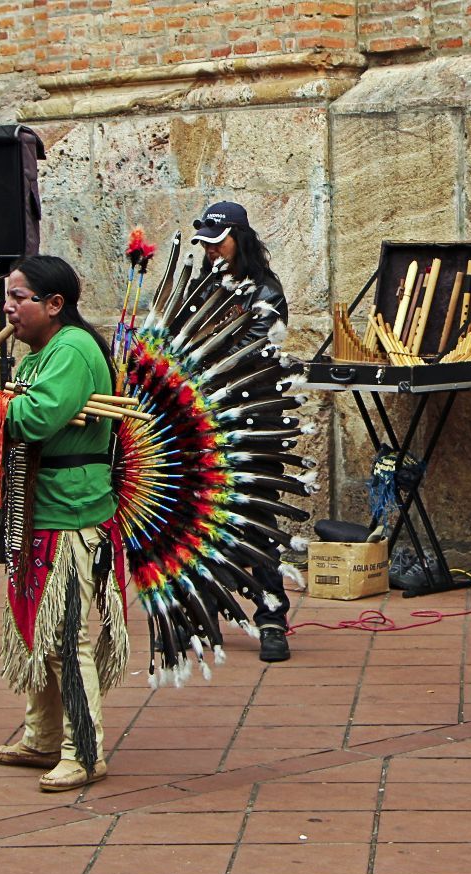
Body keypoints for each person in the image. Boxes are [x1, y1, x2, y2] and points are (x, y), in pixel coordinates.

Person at [0, 255, 129, 792]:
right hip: (34, 510)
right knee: (34, 629)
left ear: (54, 304)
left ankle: (84, 751)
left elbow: (35, 420)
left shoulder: (74, 350)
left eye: (18, 298)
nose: (8, 308)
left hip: (71, 514)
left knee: (63, 635)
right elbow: (8, 427)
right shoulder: (38, 355)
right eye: (5, 298)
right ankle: (42, 737)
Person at [191, 200, 294, 663]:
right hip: (206, 421)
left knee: (257, 518)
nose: (212, 252)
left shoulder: (266, 291)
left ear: (240, 239)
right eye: (206, 245)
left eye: (219, 242)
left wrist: (199, 360)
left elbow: (249, 351)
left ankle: (271, 614)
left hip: (254, 418)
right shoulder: (200, 289)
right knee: (204, 512)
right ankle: (208, 606)